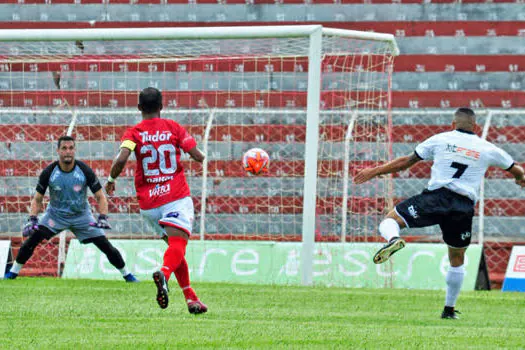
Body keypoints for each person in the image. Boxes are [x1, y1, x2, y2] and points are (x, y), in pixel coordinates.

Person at [354, 108, 525, 319]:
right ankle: (449, 309)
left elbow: (407, 161)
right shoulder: (487, 148)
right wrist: (520, 179)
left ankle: (394, 239)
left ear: (453, 124)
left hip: (435, 199)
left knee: (392, 220)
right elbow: (516, 169)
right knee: (456, 257)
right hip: (462, 207)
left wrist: (375, 171)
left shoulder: (441, 139)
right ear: (476, 127)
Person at [105, 87, 207, 314]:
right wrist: (198, 156)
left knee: (175, 247)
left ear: (139, 107)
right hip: (175, 197)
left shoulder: (134, 132)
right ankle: (164, 274)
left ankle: (191, 298)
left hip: (149, 205)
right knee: (178, 246)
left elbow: (122, 158)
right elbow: (197, 156)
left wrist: (111, 179)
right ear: (162, 106)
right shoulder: (174, 128)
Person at [4, 136, 138, 282]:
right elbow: (37, 199)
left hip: (81, 216)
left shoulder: (84, 170)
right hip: (55, 216)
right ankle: (12, 274)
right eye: (64, 148)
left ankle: (127, 275)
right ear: (58, 150)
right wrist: (32, 218)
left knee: (105, 245)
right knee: (32, 240)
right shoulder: (49, 172)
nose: (68, 152)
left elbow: (100, 196)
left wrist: (103, 217)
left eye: (71, 148)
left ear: (74, 150)